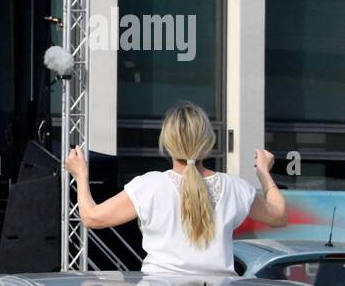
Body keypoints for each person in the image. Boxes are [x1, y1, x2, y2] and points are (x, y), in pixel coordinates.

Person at [65, 100, 287, 276]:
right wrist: (264, 173)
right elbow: (278, 215)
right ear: (208, 141)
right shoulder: (235, 188)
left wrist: (81, 175)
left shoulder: (149, 186)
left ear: (166, 142)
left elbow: (92, 218)